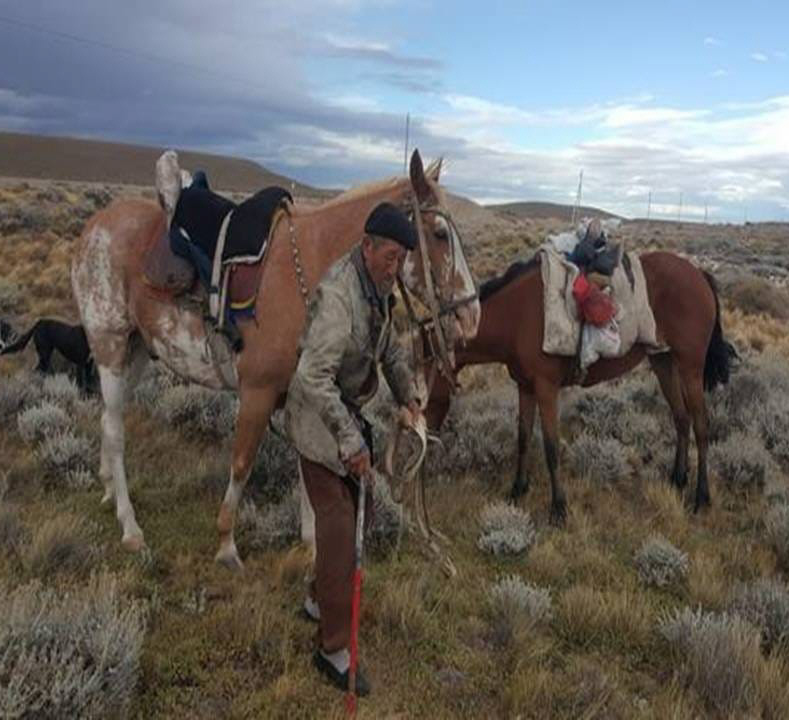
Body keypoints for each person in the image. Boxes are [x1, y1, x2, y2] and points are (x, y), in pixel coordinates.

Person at [284, 201, 422, 696]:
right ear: (367, 247)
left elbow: (387, 348)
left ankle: (320, 601)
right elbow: (311, 378)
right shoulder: (339, 295)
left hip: (345, 414)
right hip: (317, 418)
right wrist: (348, 441)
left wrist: (409, 392)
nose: (396, 266)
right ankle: (334, 650)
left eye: (402, 257)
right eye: (389, 255)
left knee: (361, 516)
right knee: (341, 527)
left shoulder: (380, 287)